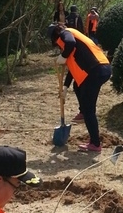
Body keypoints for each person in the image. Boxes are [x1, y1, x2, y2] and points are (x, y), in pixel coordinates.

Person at [47, 22, 111, 153]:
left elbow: (69, 44)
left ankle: (95, 144)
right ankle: (83, 112)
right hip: (101, 68)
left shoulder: (66, 33)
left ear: (56, 35)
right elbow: (73, 70)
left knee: (89, 110)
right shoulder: (75, 38)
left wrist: (63, 55)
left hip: (95, 70)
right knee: (78, 85)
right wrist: (65, 87)